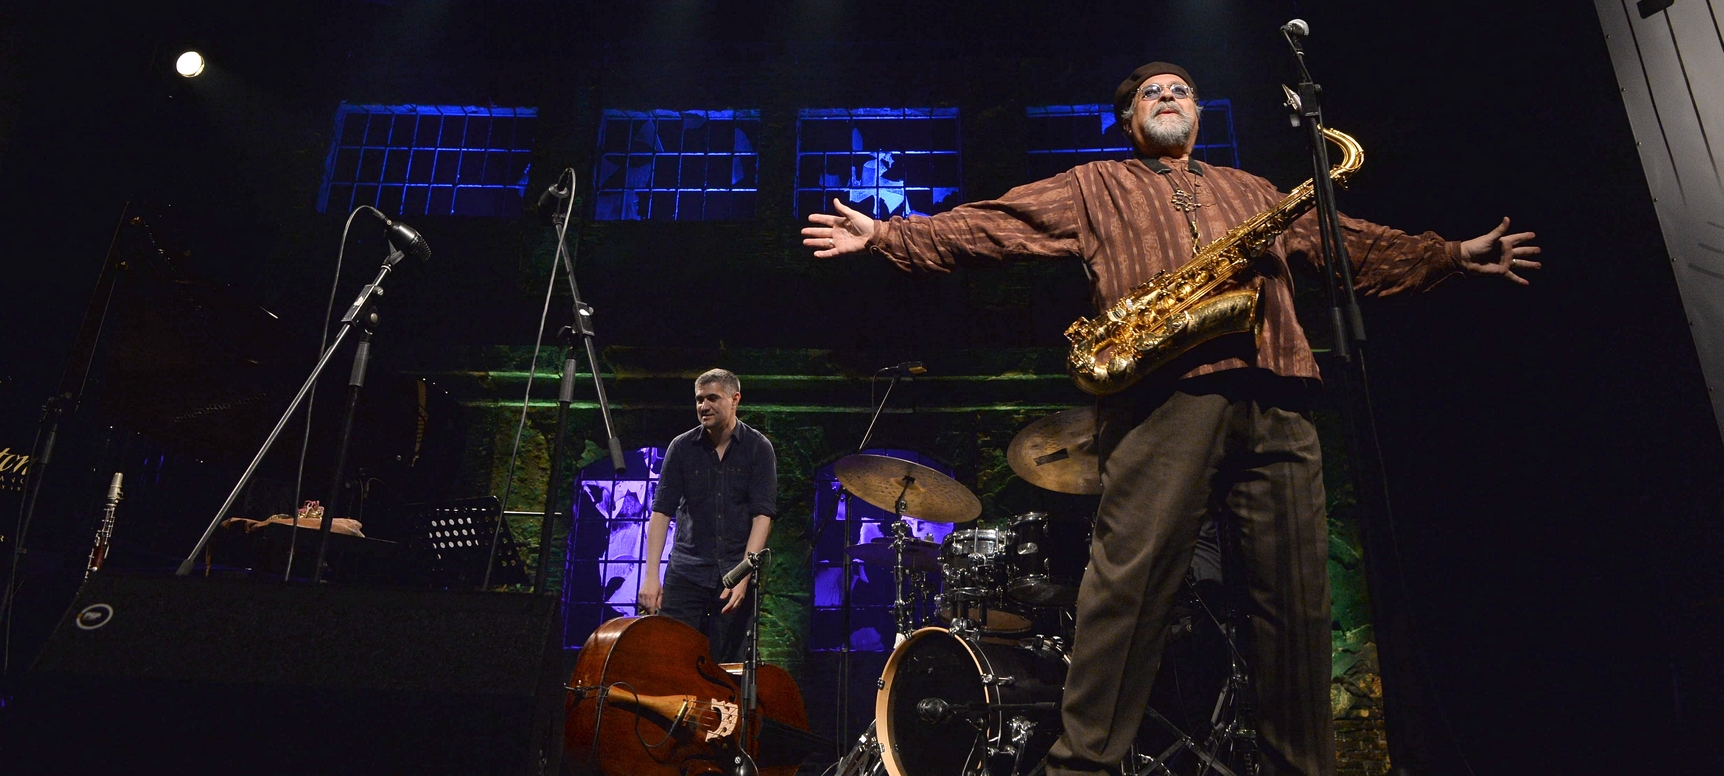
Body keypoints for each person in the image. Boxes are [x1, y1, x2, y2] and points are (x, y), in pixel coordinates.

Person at [801, 62, 1539, 776]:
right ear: (1128, 119)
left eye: (1180, 90)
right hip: (1163, 396)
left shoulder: (1251, 190)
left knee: (1297, 606)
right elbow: (998, 224)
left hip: (1276, 389)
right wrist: (890, 235)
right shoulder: (1094, 183)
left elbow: (1346, 242)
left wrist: (1447, 255)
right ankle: (1082, 768)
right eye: (1149, 92)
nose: (1166, 96)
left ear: (1196, 113)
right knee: (1128, 589)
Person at [638, 368, 778, 663]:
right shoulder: (682, 447)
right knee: (672, 659)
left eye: (712, 398)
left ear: (734, 399)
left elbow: (762, 516)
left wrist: (743, 576)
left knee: (728, 665)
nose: (704, 406)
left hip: (733, 573)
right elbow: (661, 511)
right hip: (687, 570)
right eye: (699, 399)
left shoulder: (758, 448)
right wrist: (651, 576)